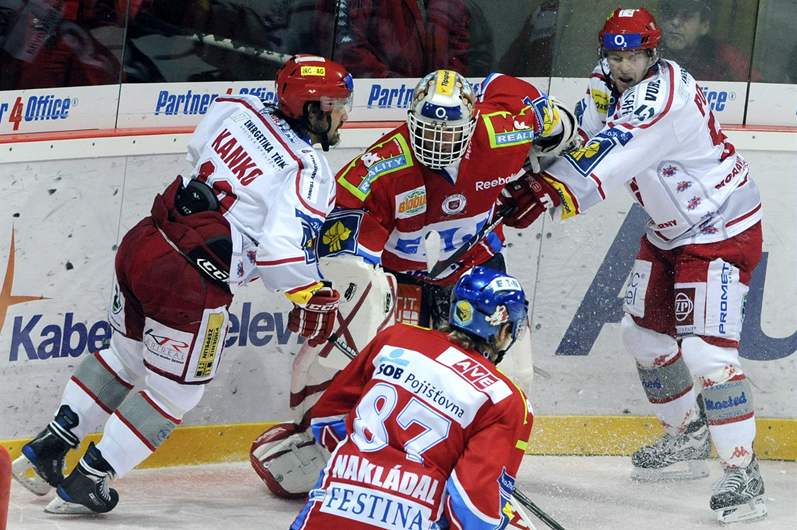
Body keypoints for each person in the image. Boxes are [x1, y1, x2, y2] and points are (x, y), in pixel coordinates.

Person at [10, 54, 353, 515]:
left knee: (124, 356)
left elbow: (198, 149)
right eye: (336, 104)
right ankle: (89, 479)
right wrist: (310, 291)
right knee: (177, 391)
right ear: (311, 108)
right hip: (191, 281)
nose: (344, 115)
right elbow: (280, 253)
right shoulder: (308, 170)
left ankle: (48, 450)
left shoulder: (241, 107)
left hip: (144, 242)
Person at [249, 68, 580, 499]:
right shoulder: (376, 171)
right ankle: (331, 449)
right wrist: (337, 312)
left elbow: (559, 126)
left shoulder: (505, 132)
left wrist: (545, 177)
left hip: (475, 274)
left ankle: (478, 475)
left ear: (474, 121)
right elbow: (351, 271)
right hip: (403, 284)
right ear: (409, 120)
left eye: (450, 131)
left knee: (511, 378)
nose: (437, 143)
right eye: (428, 130)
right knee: (353, 354)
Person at [499, 8, 766, 524]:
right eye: (616, 56)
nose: (624, 67)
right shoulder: (606, 84)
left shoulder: (661, 97)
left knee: (707, 354)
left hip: (720, 227)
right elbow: (580, 139)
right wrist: (527, 165)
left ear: (653, 53)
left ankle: (744, 470)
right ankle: (687, 436)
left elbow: (609, 156)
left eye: (634, 57)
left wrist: (544, 191)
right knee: (643, 337)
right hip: (669, 230)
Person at [291, 266, 533, 530]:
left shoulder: (394, 338)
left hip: (327, 514)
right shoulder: (504, 398)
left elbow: (326, 420)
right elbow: (473, 508)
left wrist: (363, 468)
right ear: (502, 330)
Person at [657, 0, 760, 82]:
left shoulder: (723, 55)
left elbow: (759, 90)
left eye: (686, 16)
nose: (675, 22)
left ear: (704, 26)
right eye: (669, 13)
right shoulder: (649, 53)